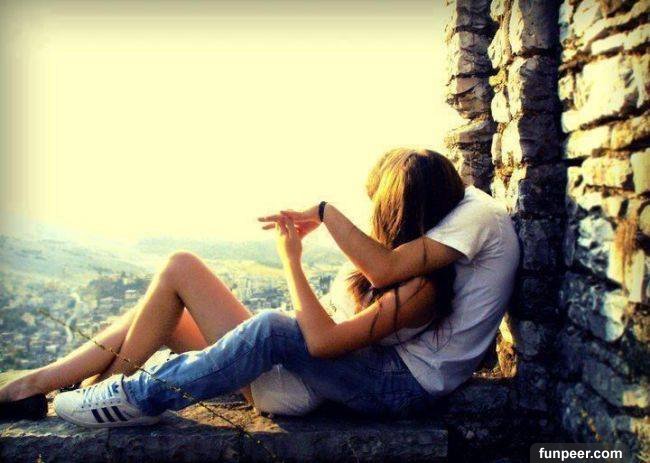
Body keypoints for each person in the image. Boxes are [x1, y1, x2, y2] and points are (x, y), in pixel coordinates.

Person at [0, 148, 519, 427]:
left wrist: (292, 260)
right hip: (305, 372)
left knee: (267, 323)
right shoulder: (415, 264)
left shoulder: (420, 287)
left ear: (395, 211)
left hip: (297, 385)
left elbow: (319, 342)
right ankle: (43, 386)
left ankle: (128, 396)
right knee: (177, 276)